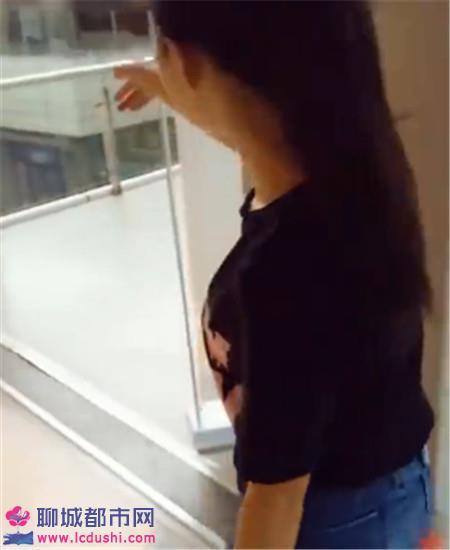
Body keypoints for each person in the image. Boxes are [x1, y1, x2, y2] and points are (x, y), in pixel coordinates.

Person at [114, 2, 435, 548]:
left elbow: (278, 498)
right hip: (385, 486)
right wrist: (168, 88)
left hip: (336, 517)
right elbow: (242, 120)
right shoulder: (350, 178)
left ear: (183, 60)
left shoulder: (285, 271)